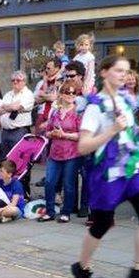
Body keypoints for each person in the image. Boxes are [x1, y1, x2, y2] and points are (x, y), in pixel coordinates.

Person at [71, 55, 139, 278]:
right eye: (118, 70)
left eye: (126, 71)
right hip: (107, 172)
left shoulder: (127, 100)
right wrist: (112, 129)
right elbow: (83, 147)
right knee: (101, 224)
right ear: (104, 72)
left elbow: (131, 135)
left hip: (132, 166)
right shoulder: (94, 106)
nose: (124, 75)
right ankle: (82, 268)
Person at [38, 81, 82, 223]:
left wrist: (65, 135)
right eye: (67, 92)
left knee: (69, 184)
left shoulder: (78, 113)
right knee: (50, 182)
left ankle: (66, 212)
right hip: (55, 153)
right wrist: (53, 133)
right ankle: (50, 211)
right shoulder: (55, 112)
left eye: (73, 93)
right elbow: (47, 131)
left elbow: (82, 135)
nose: (70, 95)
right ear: (61, 94)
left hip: (72, 154)